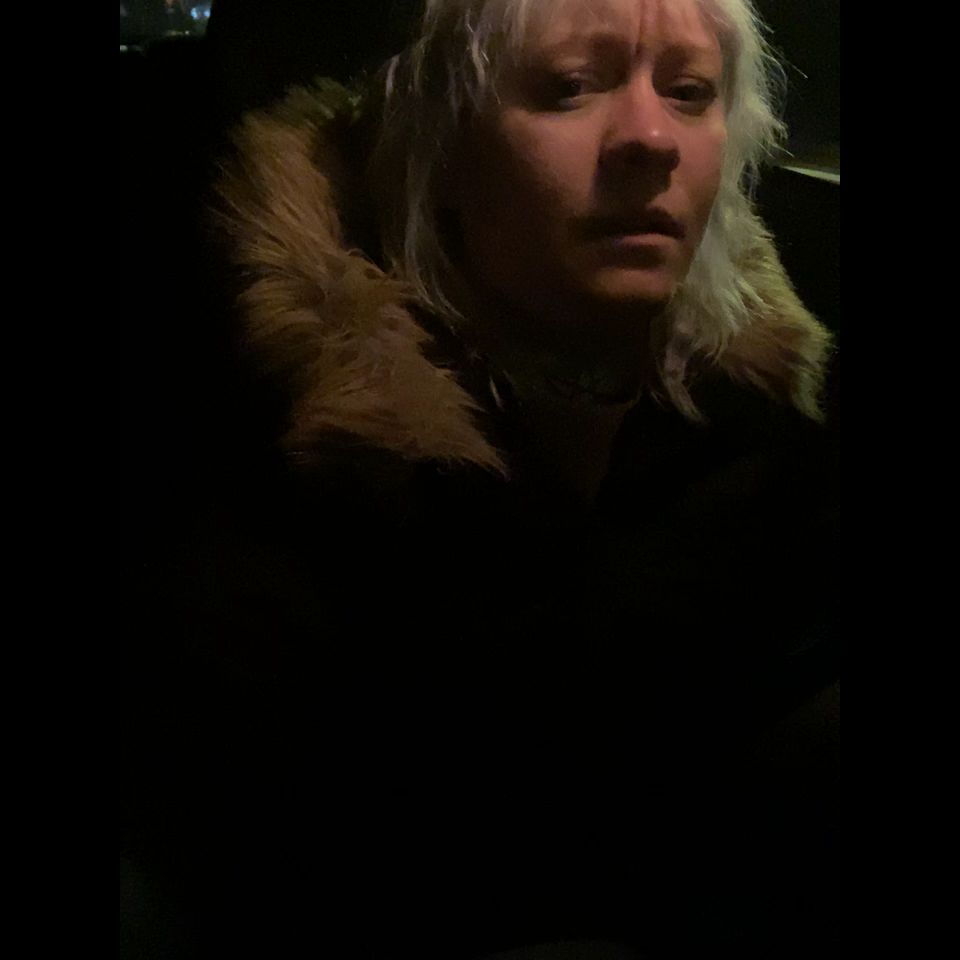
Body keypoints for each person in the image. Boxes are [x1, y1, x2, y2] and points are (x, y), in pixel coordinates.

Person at [126, 1, 838, 957]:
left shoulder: (777, 423)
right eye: (570, 87)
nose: (652, 139)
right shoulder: (265, 460)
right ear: (444, 147)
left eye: (689, 91)